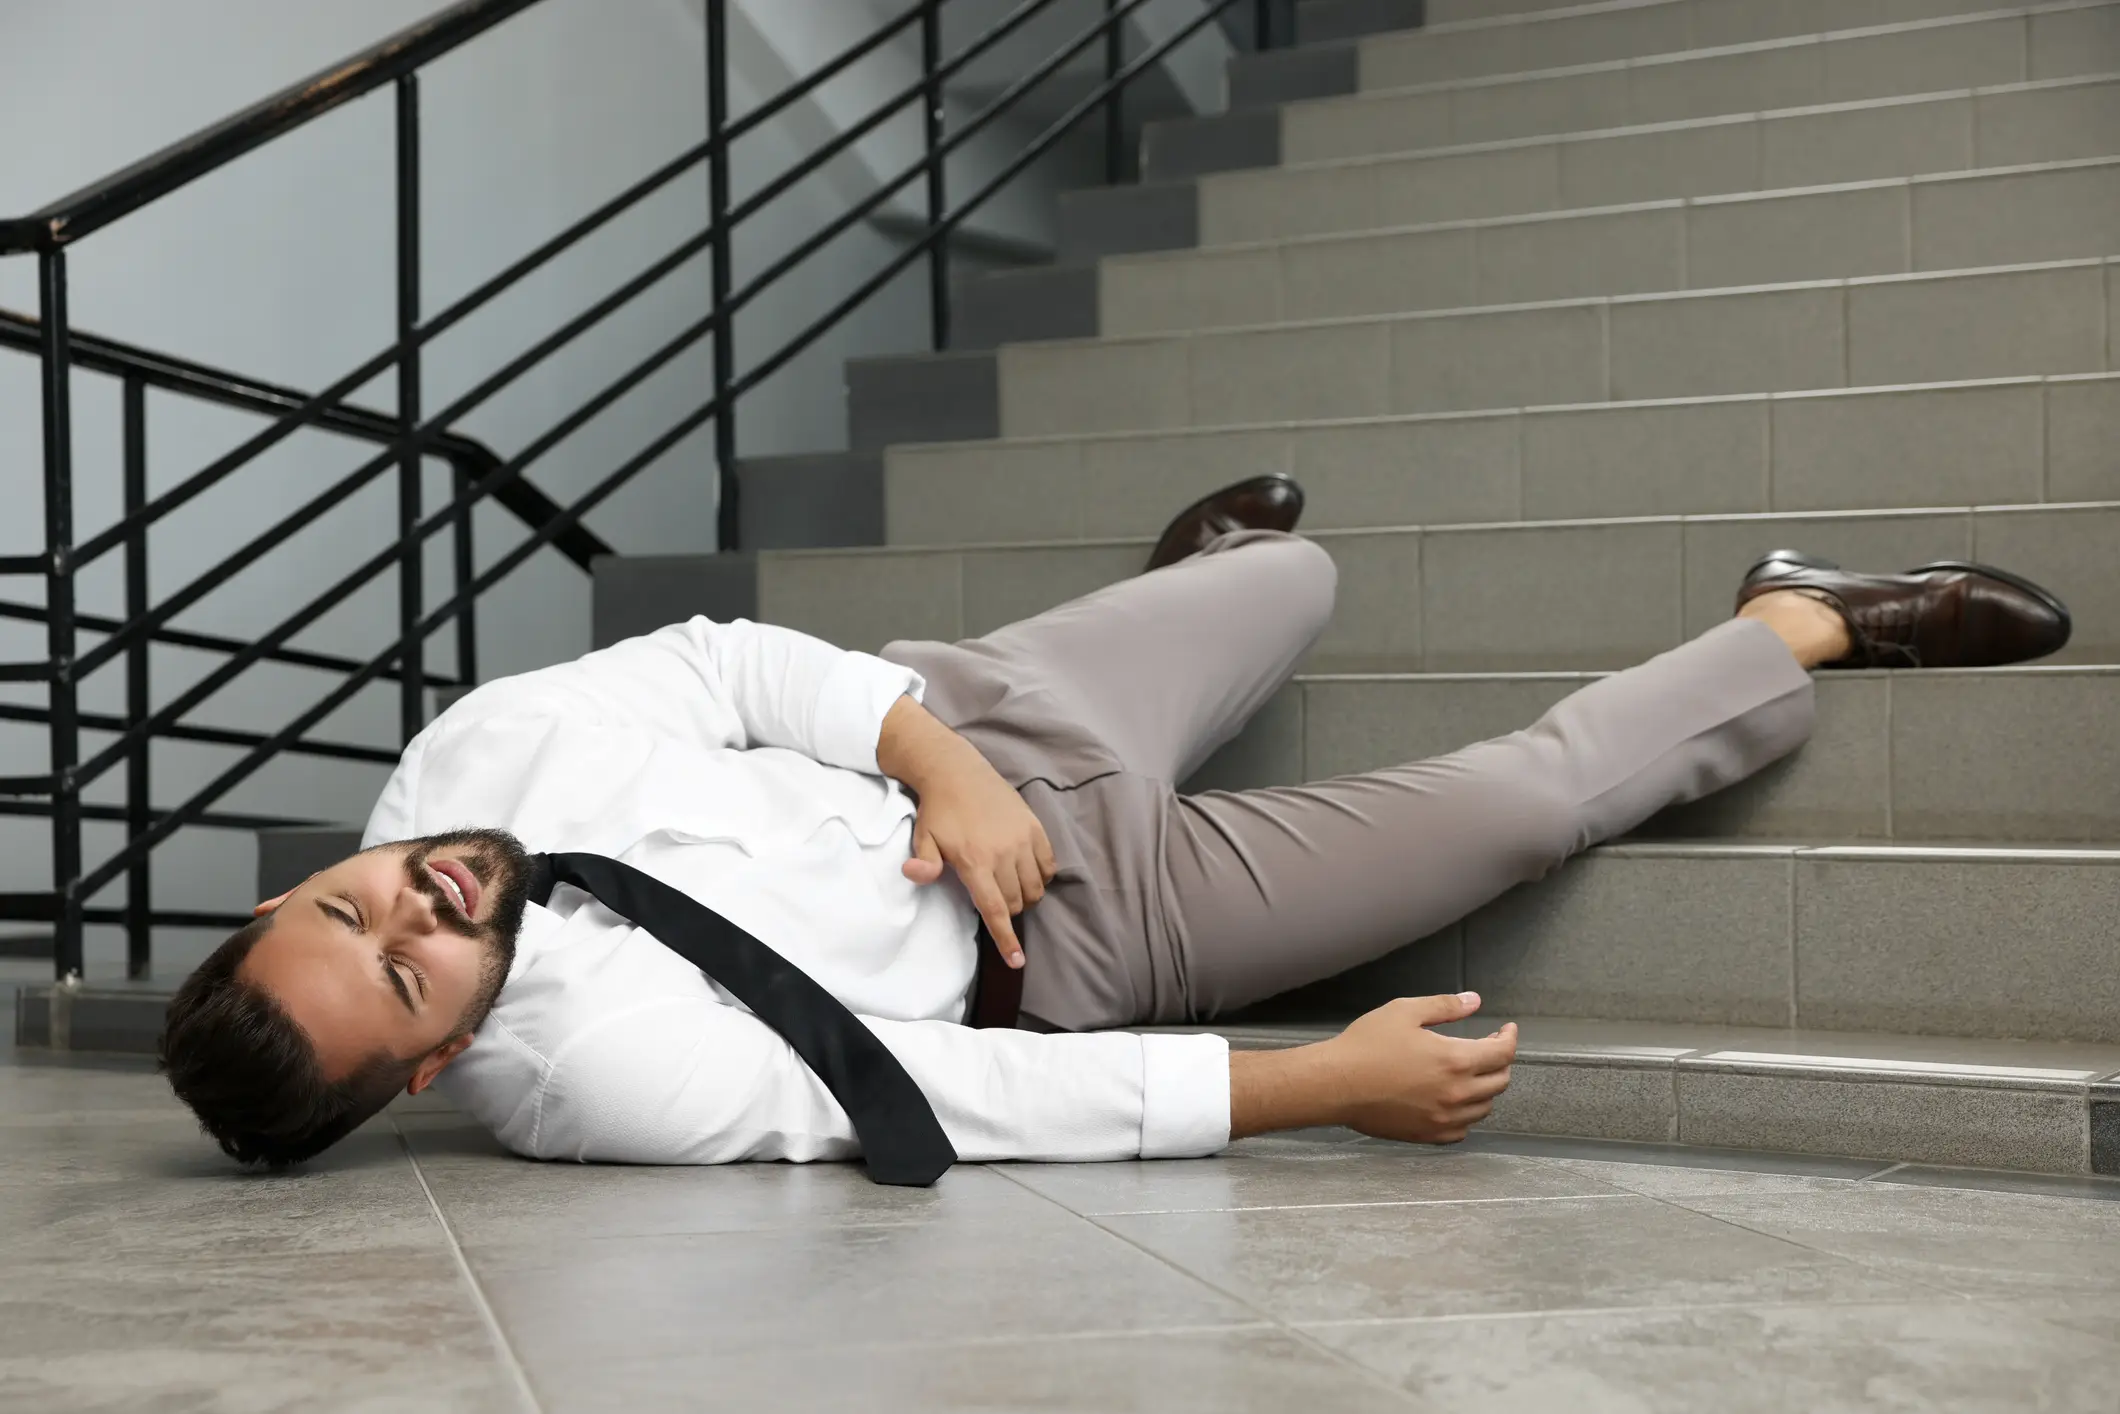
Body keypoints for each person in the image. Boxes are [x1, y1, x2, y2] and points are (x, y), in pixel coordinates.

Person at [157, 477, 2072, 1171]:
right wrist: (1312, 1090)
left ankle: (1201, 580)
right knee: (1519, 803)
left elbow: (736, 663)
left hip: (961, 721)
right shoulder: (602, 1085)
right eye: (407, 971)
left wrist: (950, 756)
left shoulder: (459, 768)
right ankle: (1804, 615)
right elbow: (945, 1103)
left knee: (1299, 578)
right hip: (1079, 928)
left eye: (349, 894)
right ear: (422, 1072)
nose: (423, 895)